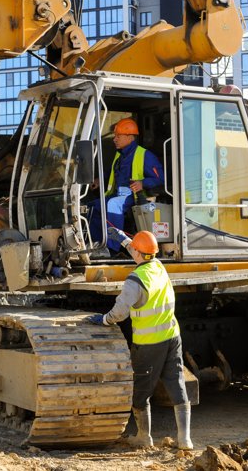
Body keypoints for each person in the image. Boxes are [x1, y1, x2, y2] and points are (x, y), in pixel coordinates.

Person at [84, 228, 192, 450]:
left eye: (134, 249)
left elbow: (119, 313)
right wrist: (124, 239)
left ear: (138, 255)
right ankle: (185, 440)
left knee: (141, 392)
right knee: (177, 384)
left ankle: (144, 436)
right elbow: (140, 250)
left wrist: (104, 320)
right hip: (172, 337)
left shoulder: (135, 280)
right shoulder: (158, 267)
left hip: (149, 344)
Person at [89, 118, 164, 253]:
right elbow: (113, 172)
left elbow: (160, 178)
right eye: (115, 136)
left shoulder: (145, 155)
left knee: (113, 204)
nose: (114, 139)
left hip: (134, 196)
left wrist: (143, 183)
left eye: (118, 136)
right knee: (93, 206)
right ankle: (97, 244)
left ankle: (112, 248)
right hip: (118, 194)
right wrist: (99, 180)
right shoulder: (119, 156)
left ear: (130, 137)